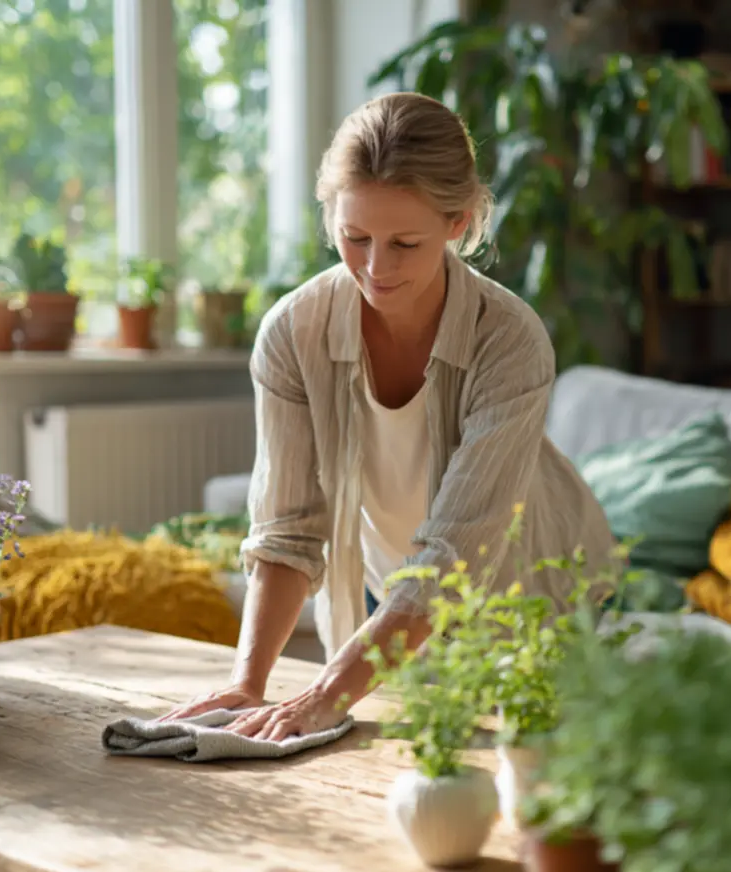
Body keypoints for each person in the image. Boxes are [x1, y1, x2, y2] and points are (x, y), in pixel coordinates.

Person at [158, 92, 615, 742]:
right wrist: (248, 683)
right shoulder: (294, 332)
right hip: (403, 610)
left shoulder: (510, 341)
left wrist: (324, 692)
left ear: (458, 222)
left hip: (551, 604)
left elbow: (454, 556)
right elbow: (289, 531)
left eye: (405, 241)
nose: (376, 267)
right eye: (355, 237)